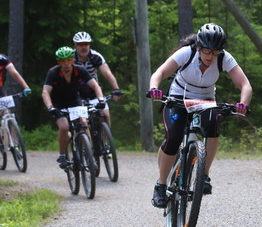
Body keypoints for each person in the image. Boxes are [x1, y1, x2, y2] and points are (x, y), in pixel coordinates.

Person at [147, 23, 252, 208]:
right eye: (207, 51)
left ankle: (204, 175)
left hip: (205, 100)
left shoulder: (224, 58)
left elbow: (244, 84)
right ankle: (161, 185)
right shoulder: (186, 53)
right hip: (179, 96)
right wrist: (154, 88)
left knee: (213, 124)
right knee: (173, 137)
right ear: (198, 47)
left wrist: (243, 104)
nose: (211, 56)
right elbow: (160, 72)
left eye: (216, 52)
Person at [42, 46, 105, 168]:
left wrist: (101, 100)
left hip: (74, 101)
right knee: (64, 127)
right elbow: (45, 92)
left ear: (73, 60)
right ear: (58, 62)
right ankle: (61, 155)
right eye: (62, 61)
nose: (66, 64)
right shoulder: (53, 73)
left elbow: (95, 86)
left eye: (69, 60)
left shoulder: (80, 70)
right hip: (58, 103)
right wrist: (50, 107)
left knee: (83, 122)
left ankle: (87, 152)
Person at [72, 31, 122, 127]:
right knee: (82, 122)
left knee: (105, 115)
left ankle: (106, 140)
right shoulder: (70, 58)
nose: (83, 47)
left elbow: (107, 73)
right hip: (76, 93)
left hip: (94, 91)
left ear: (89, 45)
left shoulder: (96, 56)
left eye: (86, 44)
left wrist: (116, 89)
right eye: (80, 44)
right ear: (75, 46)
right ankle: (83, 140)